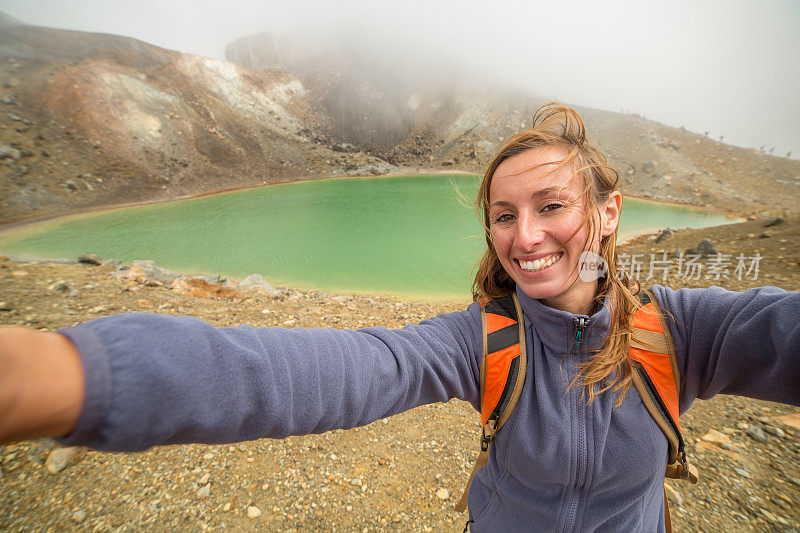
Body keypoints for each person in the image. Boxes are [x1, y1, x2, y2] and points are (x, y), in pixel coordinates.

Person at [0, 103, 798, 532]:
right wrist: (83, 374)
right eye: (502, 214)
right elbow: (329, 373)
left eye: (552, 206)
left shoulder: (684, 330)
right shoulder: (479, 339)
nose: (524, 236)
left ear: (611, 211)